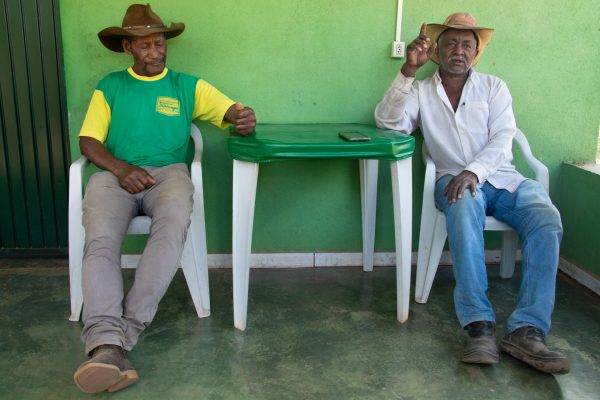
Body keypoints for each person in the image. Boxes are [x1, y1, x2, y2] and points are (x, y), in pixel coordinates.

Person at [73, 3, 257, 393]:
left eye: (159, 44)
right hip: (115, 176)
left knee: (171, 232)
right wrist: (122, 169)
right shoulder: (111, 86)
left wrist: (243, 120)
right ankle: (107, 341)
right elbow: (88, 141)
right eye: (145, 46)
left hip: (169, 175)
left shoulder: (187, 85)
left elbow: (232, 113)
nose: (155, 52)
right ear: (128, 48)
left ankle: (115, 341)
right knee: (101, 241)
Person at [374, 12, 569, 374]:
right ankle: (479, 327)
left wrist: (474, 171)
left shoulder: (494, 87)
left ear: (476, 52)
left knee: (547, 218)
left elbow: (503, 138)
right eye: (451, 43)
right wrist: (408, 70)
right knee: (463, 204)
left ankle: (527, 331)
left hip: (504, 179)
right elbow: (388, 123)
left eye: (467, 44)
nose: (458, 51)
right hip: (451, 180)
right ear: (437, 50)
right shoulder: (421, 91)